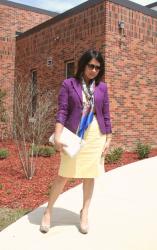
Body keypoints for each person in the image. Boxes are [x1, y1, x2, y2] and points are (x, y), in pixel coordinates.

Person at [40, 49, 112, 234]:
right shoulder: (68, 84)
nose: (94, 70)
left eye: (98, 67)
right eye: (91, 66)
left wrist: (108, 139)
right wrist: (57, 136)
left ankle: (85, 212)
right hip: (74, 135)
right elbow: (62, 111)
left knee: (89, 175)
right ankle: (48, 212)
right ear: (83, 64)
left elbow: (106, 114)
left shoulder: (102, 87)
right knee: (64, 174)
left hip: (96, 135)